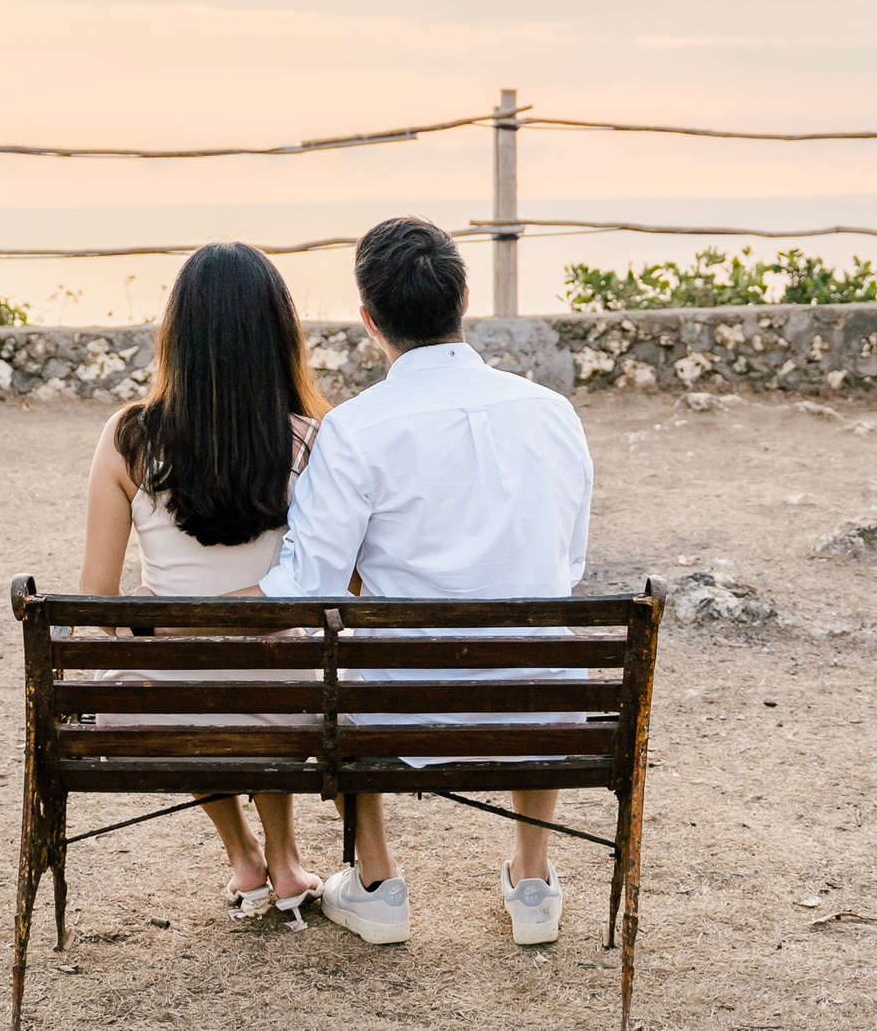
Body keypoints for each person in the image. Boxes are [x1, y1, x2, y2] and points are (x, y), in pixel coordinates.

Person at [246, 216, 595, 949]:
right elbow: (565, 568)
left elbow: (306, 588)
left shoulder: (354, 429)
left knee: (347, 659)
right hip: (542, 705)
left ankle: (377, 882)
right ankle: (531, 881)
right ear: (464, 296)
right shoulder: (553, 413)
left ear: (370, 320)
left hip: (402, 712)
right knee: (539, 632)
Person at [77, 242, 325, 923]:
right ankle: (284, 859)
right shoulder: (311, 440)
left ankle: (244, 854)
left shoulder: (128, 437)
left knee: (167, 678)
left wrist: (164, 623)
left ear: (177, 334)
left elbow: (96, 597)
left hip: (161, 706)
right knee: (272, 671)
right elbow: (335, 588)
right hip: (290, 704)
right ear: (276, 333)